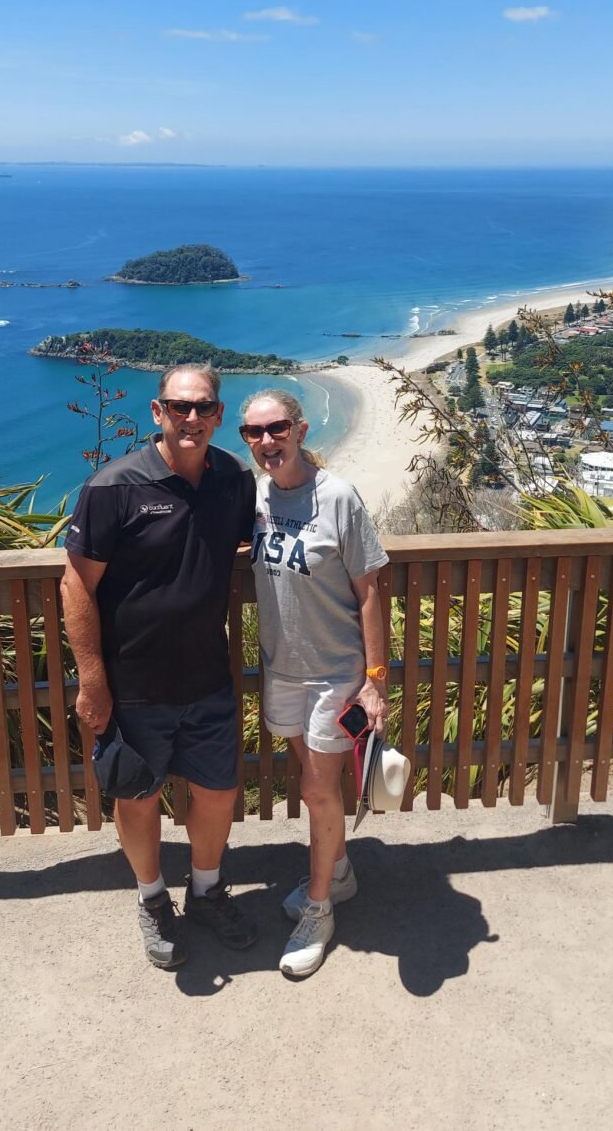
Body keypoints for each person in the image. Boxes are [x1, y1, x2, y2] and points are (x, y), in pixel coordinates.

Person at [61, 363, 258, 970]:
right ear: (158, 412)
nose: (192, 419)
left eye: (203, 408)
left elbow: (248, 540)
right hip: (133, 686)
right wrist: (92, 679)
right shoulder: (113, 488)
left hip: (207, 677)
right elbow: (76, 585)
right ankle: (152, 900)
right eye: (180, 407)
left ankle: (205, 891)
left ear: (220, 415)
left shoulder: (233, 480)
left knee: (219, 792)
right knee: (137, 798)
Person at [240, 387, 389, 977]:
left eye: (277, 428)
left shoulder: (338, 498)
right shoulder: (255, 499)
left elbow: (370, 591)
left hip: (335, 676)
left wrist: (375, 680)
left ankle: (320, 907)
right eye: (254, 433)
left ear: (300, 430)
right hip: (282, 669)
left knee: (318, 791)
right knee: (312, 779)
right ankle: (343, 871)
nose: (266, 441)